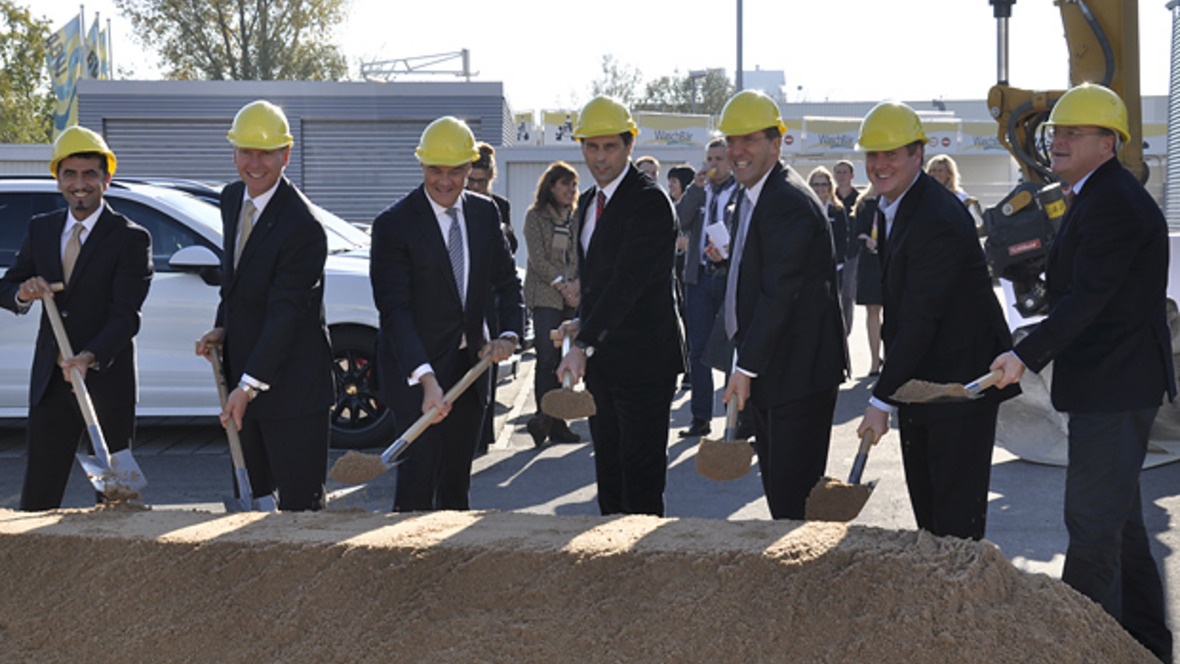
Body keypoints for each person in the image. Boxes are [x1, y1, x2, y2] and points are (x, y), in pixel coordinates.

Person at [990, 83, 1174, 662]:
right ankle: (1145, 645)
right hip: (1112, 383)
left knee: (1092, 529)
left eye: (1073, 132)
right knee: (1120, 525)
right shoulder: (1091, 194)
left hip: (1115, 388)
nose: (1058, 141)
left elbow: (1087, 299)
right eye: (1057, 132)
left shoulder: (1113, 200)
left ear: (1108, 143)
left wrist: (1024, 354)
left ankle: (1085, 650)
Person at [853, 100, 1018, 541]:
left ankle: (962, 604)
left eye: (891, 154)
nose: (879, 164)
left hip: (957, 387)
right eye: (873, 154)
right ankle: (940, 599)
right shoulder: (896, 205)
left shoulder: (935, 216)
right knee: (930, 518)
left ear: (917, 154)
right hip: (924, 381)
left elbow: (921, 318)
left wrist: (881, 400)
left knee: (954, 523)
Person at [370, 116, 523, 512]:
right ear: (421, 165)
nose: (445, 181)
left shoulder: (484, 214)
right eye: (435, 170)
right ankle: (405, 563)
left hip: (468, 369)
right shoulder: (393, 225)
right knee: (418, 481)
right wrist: (426, 380)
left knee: (456, 481)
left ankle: (451, 565)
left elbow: (507, 283)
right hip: (415, 371)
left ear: (470, 167)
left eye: (456, 171)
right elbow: (395, 311)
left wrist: (508, 334)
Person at [0, 126, 152, 510]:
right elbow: (8, 286)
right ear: (58, 179)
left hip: (104, 380)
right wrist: (23, 291)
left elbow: (126, 316)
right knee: (38, 496)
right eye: (70, 174)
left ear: (106, 179)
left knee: (115, 501)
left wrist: (89, 356)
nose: (79, 184)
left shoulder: (130, 238)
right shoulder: (42, 228)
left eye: (89, 174)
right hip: (51, 382)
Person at [195, 100, 334, 512]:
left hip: (294, 392)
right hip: (244, 379)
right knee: (252, 503)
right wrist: (222, 327)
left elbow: (286, 313)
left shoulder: (303, 226)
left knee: (299, 512)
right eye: (245, 152)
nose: (254, 163)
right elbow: (235, 283)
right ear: (234, 152)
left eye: (266, 153)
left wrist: (247, 385)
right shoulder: (232, 198)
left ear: (285, 155)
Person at [718, 90, 849, 520]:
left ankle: (805, 586)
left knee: (794, 506)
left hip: (797, 375)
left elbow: (780, 294)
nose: (737, 151)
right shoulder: (755, 194)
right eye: (731, 141)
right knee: (782, 499)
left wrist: (745, 367)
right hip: (777, 369)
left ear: (777, 143)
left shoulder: (786, 202)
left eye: (749, 140)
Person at [555, 96, 683, 517]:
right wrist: (581, 324)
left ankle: (644, 572)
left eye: (609, 147)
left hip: (646, 362)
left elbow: (630, 283)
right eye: (591, 147)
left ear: (629, 145)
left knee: (640, 480)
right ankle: (609, 566)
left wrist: (584, 341)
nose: (599, 157)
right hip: (605, 361)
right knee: (609, 474)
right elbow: (601, 283)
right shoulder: (589, 201)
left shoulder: (649, 202)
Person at [677, 138, 740, 438]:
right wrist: (695, 189)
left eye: (719, 159)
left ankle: (733, 418)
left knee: (731, 348)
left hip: (728, 277)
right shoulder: (700, 190)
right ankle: (700, 417)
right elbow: (681, 220)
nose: (713, 165)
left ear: (730, 162)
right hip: (699, 278)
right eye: (710, 158)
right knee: (698, 350)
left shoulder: (740, 191)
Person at [522, 161, 582, 447]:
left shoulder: (578, 217)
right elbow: (537, 259)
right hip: (546, 293)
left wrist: (576, 286)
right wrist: (561, 284)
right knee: (546, 358)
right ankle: (544, 416)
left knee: (565, 358)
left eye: (573, 184)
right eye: (565, 184)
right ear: (551, 187)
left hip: (574, 294)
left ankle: (553, 423)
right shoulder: (535, 217)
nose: (571, 190)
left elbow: (585, 253)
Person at [467, 141, 517, 456]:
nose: (474, 187)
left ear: (491, 179)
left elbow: (509, 250)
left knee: (487, 363)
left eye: (481, 182)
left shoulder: (497, 206)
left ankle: (482, 433)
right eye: (470, 180)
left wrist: (502, 232)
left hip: (488, 297)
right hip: (462, 293)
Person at [808, 166, 851, 334]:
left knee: (830, 307)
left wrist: (838, 262)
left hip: (833, 269)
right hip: (808, 269)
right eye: (815, 184)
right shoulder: (803, 209)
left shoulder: (838, 211)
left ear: (830, 186)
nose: (819, 188)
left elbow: (843, 240)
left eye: (823, 184)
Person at [852, 185, 884, 375]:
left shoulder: (897, 199)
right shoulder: (864, 203)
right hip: (870, 263)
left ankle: (891, 358)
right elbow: (856, 232)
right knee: (873, 310)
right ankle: (874, 360)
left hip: (892, 260)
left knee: (894, 310)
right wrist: (866, 239)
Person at [833, 160, 861, 335]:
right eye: (838, 172)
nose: (841, 175)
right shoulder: (830, 196)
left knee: (846, 295)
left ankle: (845, 332)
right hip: (831, 253)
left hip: (851, 255)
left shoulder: (859, 198)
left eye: (845, 172)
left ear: (852, 175)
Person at [926, 154, 984, 231]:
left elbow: (968, 224)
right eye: (933, 171)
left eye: (940, 171)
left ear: (949, 174)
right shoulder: (924, 196)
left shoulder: (961, 197)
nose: (936, 174)